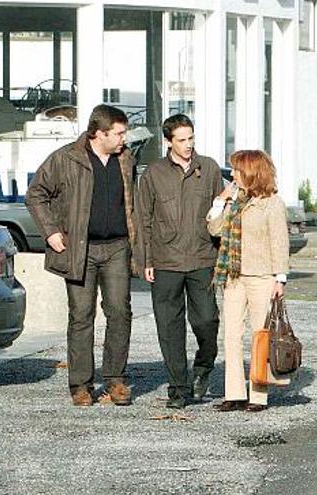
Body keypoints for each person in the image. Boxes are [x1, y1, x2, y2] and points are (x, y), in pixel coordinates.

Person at [25, 104, 138, 407]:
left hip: (117, 246)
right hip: (80, 249)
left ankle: (115, 380)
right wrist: (50, 231)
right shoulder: (66, 158)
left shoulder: (126, 159)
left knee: (120, 312)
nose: (123, 139)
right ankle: (81, 385)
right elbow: (36, 194)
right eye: (118, 133)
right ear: (99, 133)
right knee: (81, 316)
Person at [136, 114, 224, 409]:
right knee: (169, 328)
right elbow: (143, 219)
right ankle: (178, 389)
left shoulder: (209, 168)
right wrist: (145, 259)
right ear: (169, 142)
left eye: (191, 138)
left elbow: (221, 211)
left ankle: (203, 368)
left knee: (207, 320)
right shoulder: (153, 174)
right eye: (182, 140)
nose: (188, 145)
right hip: (165, 261)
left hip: (202, 258)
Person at [208, 149, 289, 413]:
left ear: (251, 172)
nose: (232, 175)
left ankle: (258, 393)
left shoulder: (272, 203)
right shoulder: (235, 200)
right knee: (231, 334)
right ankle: (234, 393)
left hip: (262, 275)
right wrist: (221, 201)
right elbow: (213, 228)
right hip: (233, 275)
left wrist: (280, 278)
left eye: (237, 170)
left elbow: (279, 241)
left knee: (260, 336)